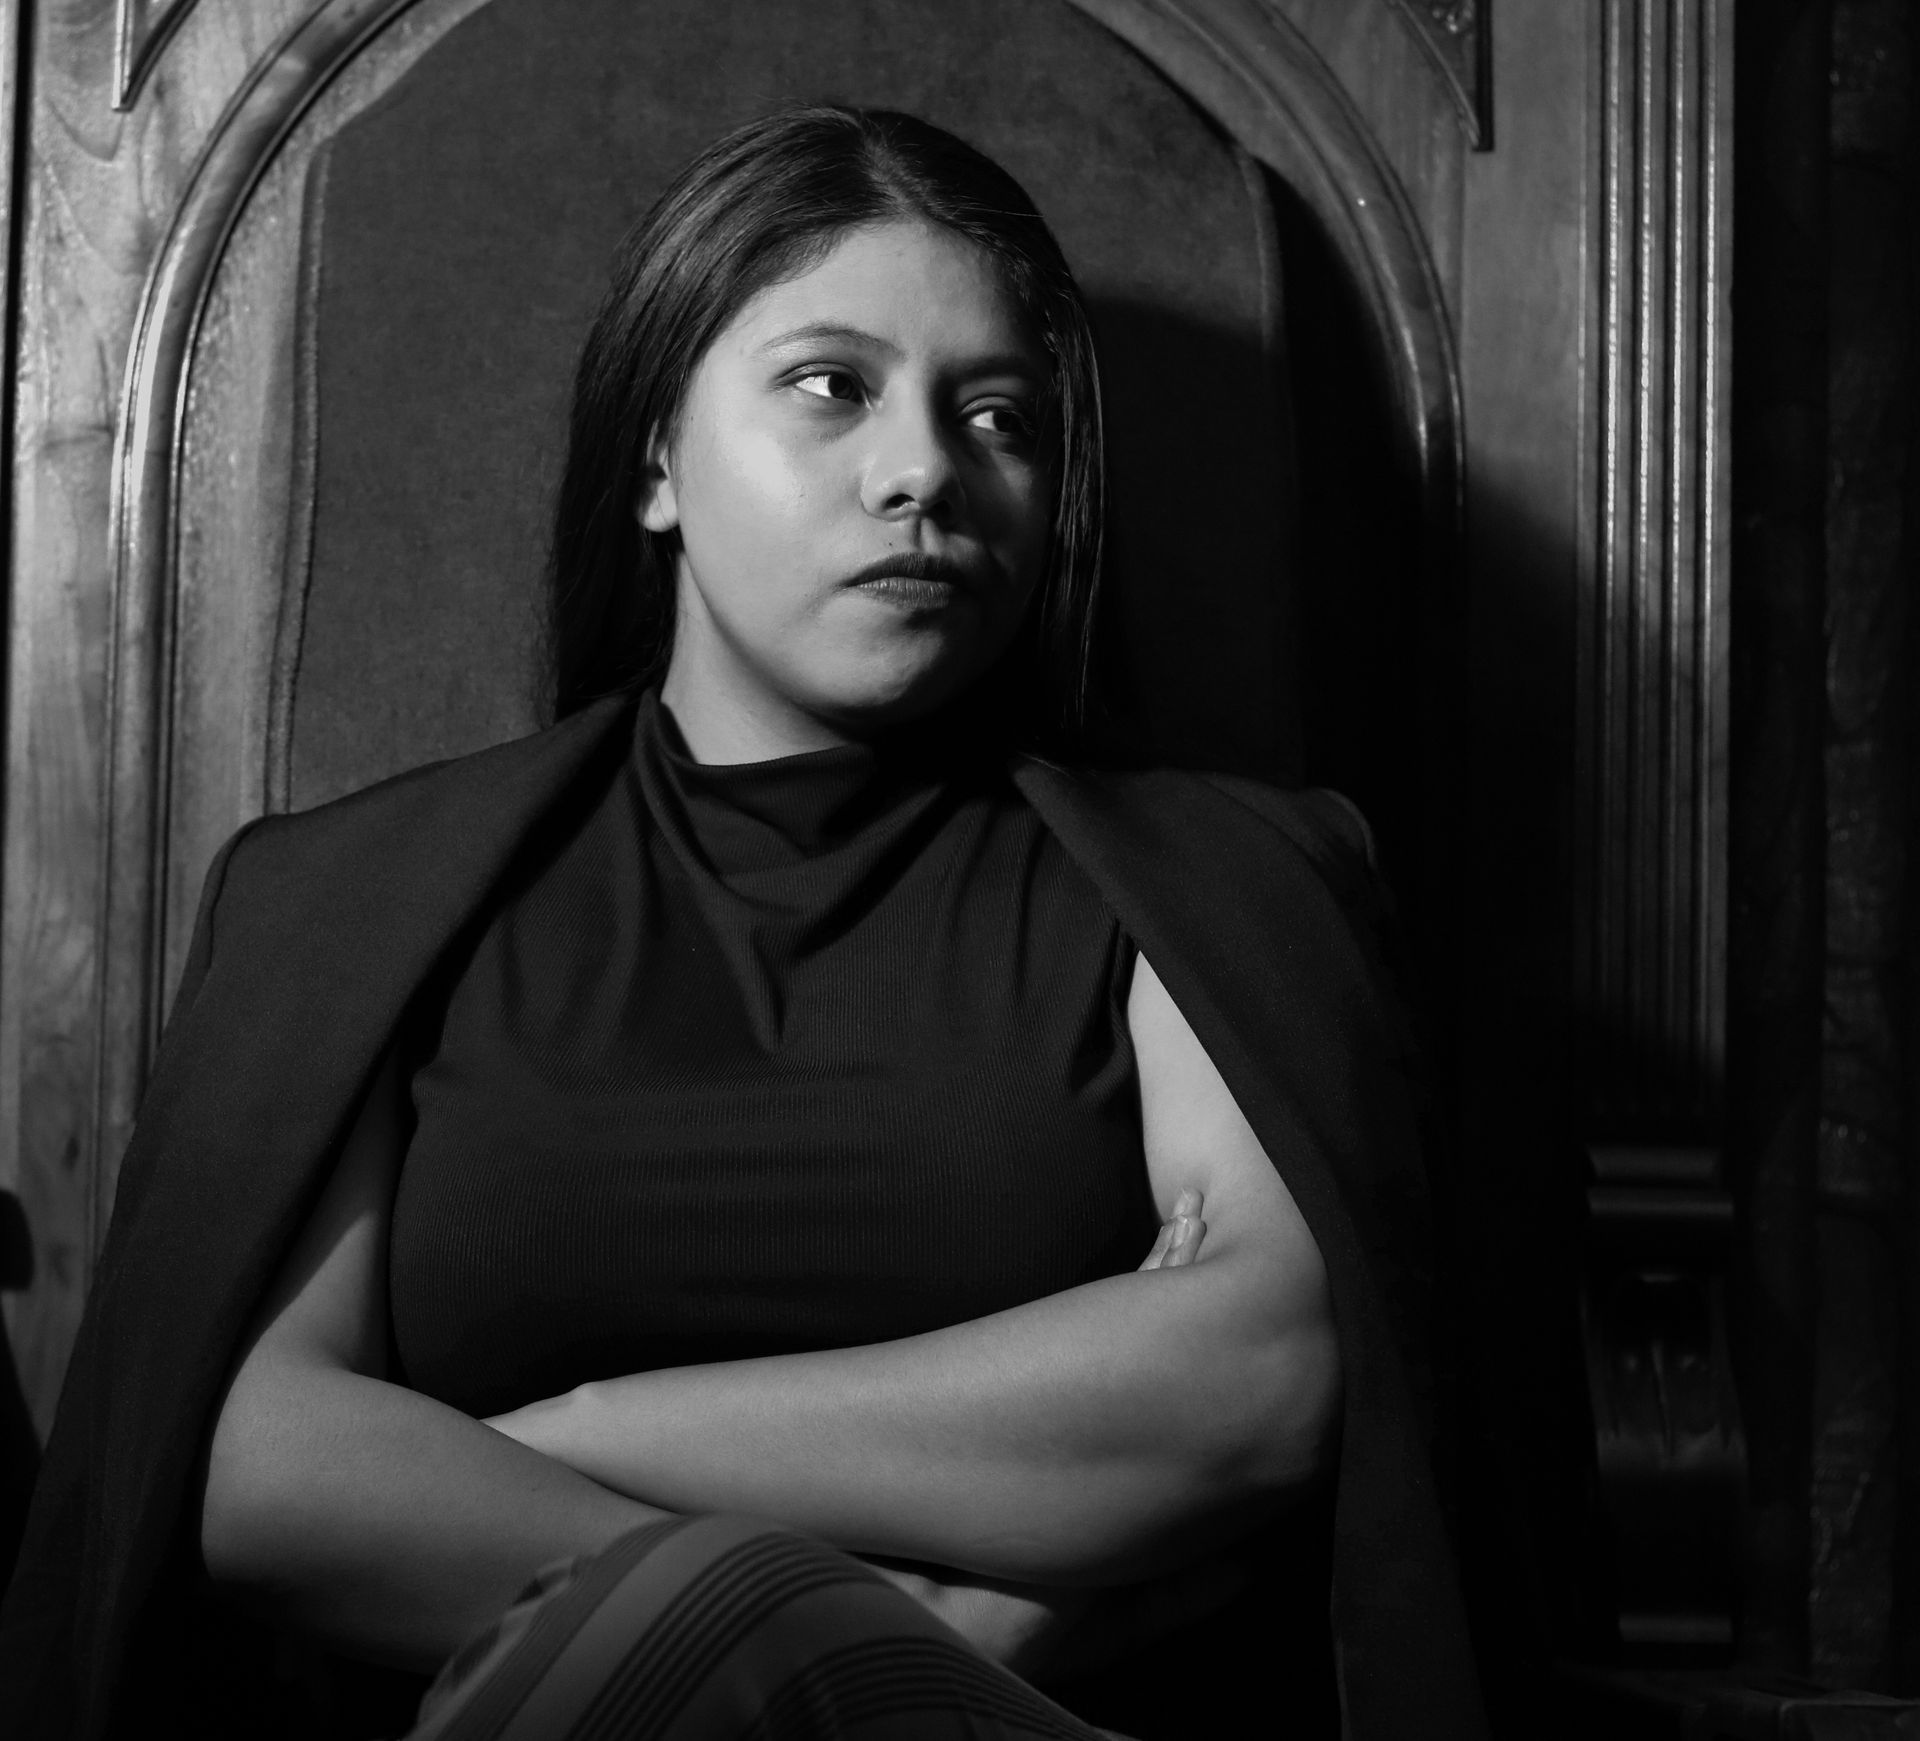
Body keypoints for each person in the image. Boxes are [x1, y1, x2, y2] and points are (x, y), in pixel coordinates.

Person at [0, 106, 1483, 1739]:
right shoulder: (352, 899)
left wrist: (563, 1434)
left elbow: (1260, 1379)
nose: (926, 466)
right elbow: (261, 1471)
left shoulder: (1215, 884)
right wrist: (882, 1644)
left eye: (999, 415)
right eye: (833, 387)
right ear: (656, 463)